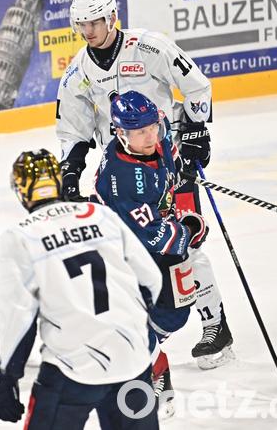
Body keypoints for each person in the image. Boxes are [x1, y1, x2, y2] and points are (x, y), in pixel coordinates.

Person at [56, 0, 233, 372]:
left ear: (112, 17)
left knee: (186, 243)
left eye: (95, 22)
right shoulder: (78, 72)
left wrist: (196, 133)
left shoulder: (150, 48)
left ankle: (214, 325)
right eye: (82, 24)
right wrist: (70, 172)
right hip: (122, 174)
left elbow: (197, 85)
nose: (88, 31)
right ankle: (138, 336)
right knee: (129, 253)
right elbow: (72, 128)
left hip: (169, 164)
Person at [0, 148, 161, 429]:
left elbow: (15, 315)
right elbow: (150, 280)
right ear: (58, 181)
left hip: (72, 367)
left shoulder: (18, 237)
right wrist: (130, 331)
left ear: (21, 192)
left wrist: (7, 375)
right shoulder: (100, 215)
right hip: (132, 360)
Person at [93, 90, 211, 417]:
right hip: (121, 250)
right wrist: (189, 228)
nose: (150, 136)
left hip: (151, 237)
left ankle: (136, 346)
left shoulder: (155, 135)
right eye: (141, 132)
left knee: (176, 313)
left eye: (152, 128)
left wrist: (193, 146)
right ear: (121, 133)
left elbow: (171, 143)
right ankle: (153, 368)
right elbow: (154, 236)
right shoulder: (122, 178)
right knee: (132, 315)